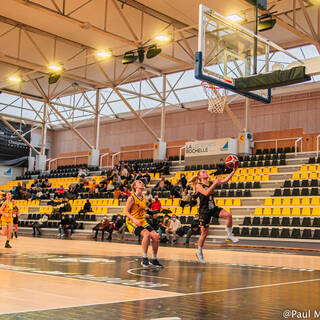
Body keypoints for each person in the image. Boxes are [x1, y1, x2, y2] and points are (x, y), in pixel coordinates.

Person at [191, 167, 239, 264]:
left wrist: (233, 171)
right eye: (203, 172)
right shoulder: (198, 185)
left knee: (228, 215)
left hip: (213, 207)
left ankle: (229, 235)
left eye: (206, 171)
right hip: (204, 211)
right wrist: (214, 184)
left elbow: (225, 180)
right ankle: (199, 252)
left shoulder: (211, 182)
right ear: (199, 176)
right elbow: (206, 193)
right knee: (204, 233)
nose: (206, 172)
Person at [124, 180, 163, 267]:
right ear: (135, 186)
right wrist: (134, 219)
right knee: (147, 234)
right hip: (132, 222)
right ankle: (144, 258)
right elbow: (126, 212)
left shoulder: (144, 197)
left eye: (142, 182)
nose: (141, 183)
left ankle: (154, 259)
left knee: (156, 237)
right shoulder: (131, 198)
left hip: (142, 221)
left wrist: (147, 214)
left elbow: (141, 211)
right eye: (139, 182)